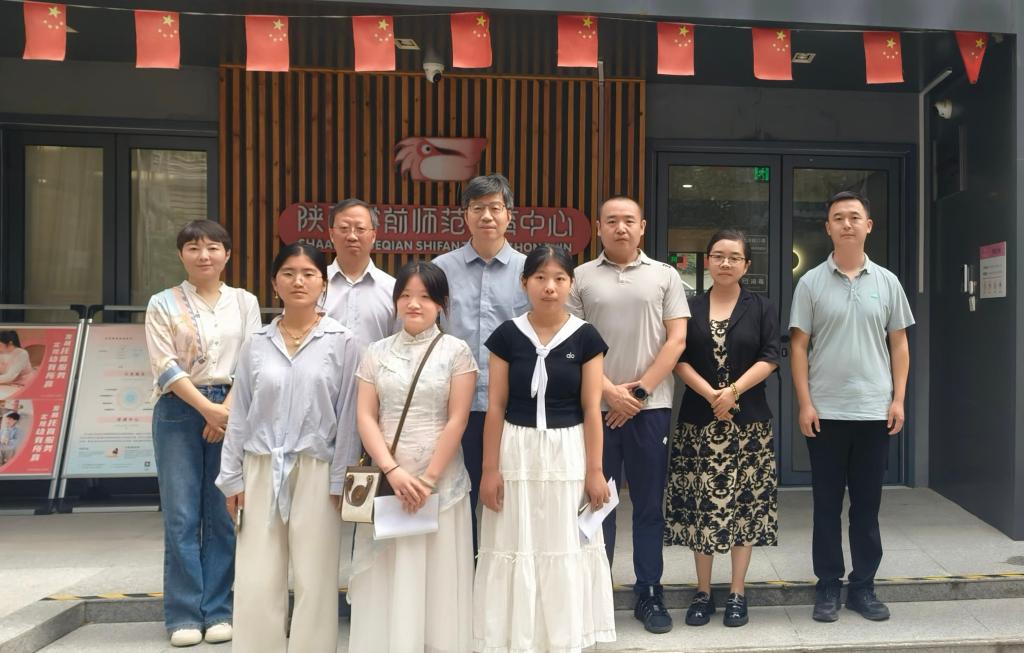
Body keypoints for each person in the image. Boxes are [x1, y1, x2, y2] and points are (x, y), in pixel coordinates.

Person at [217, 243, 361, 652]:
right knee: (257, 576)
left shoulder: (343, 342)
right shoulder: (256, 343)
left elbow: (349, 416)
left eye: (309, 273)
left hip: (319, 469)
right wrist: (231, 477)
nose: (299, 281)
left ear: (323, 283)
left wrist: (340, 479)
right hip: (260, 467)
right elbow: (240, 413)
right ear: (274, 283)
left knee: (316, 578)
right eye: (289, 273)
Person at [475, 245, 616, 652]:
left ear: (571, 284)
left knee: (563, 543)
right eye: (540, 278)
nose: (549, 287)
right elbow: (495, 406)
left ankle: (563, 638)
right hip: (515, 450)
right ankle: (515, 637)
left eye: (558, 279)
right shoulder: (507, 336)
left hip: (567, 450)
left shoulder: (586, 337)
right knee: (515, 541)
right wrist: (489, 469)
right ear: (525, 283)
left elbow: (591, 408)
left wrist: (594, 470)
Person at [790, 190, 914, 623]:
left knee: (866, 507)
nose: (847, 223)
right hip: (825, 413)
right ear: (828, 228)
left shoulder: (888, 282)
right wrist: (805, 403)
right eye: (838, 217)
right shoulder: (810, 283)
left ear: (868, 226)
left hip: (874, 413)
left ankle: (863, 586)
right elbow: (798, 347)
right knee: (826, 505)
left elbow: (899, 345)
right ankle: (827, 585)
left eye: (854, 217)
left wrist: (898, 398)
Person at [567, 196, 688, 634]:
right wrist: (608, 393)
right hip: (594, 408)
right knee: (597, 503)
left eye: (629, 221)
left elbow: (676, 341)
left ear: (642, 227)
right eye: (612, 221)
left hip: (650, 408)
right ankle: (594, 593)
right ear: (599, 227)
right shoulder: (580, 277)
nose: (621, 228)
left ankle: (649, 592)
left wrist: (636, 393)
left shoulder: (665, 275)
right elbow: (571, 343)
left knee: (649, 504)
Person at [348, 261, 477, 652]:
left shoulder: (457, 352)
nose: (414, 304)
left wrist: (427, 479)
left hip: (441, 483)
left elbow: (457, 419)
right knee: (388, 568)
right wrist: (393, 470)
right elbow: (365, 417)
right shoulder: (376, 352)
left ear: (441, 303)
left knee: (437, 574)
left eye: (424, 296)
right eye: (405, 295)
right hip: (390, 479)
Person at [145, 220, 261, 648]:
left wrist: (223, 411)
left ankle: (218, 610)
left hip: (232, 407)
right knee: (181, 515)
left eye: (213, 247)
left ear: (227, 255)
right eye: (193, 247)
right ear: (181, 255)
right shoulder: (161, 303)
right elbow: (164, 365)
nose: (204, 255)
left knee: (223, 512)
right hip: (179, 409)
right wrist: (207, 409)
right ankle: (183, 614)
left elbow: (252, 358)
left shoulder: (244, 301)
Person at [664, 230, 780, 628]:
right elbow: (677, 358)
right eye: (718, 256)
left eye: (734, 257)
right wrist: (712, 395)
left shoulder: (762, 307)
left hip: (748, 426)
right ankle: (702, 592)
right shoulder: (689, 306)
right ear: (708, 261)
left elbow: (770, 357)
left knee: (744, 507)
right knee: (703, 508)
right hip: (699, 424)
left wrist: (732, 392)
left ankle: (736, 593)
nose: (725, 263)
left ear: (747, 265)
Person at [433, 173, 528, 551]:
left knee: (508, 498)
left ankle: (499, 574)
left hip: (513, 407)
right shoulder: (440, 270)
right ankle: (464, 574)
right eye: (478, 208)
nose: (487, 216)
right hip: (454, 406)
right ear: (465, 215)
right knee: (457, 498)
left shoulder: (530, 271)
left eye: (495, 208)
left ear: (509, 214)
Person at [323, 198, 398, 350]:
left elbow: (401, 345)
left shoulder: (393, 289)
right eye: (344, 228)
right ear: (331, 234)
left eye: (360, 229)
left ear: (374, 235)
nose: (352, 236)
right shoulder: (314, 284)